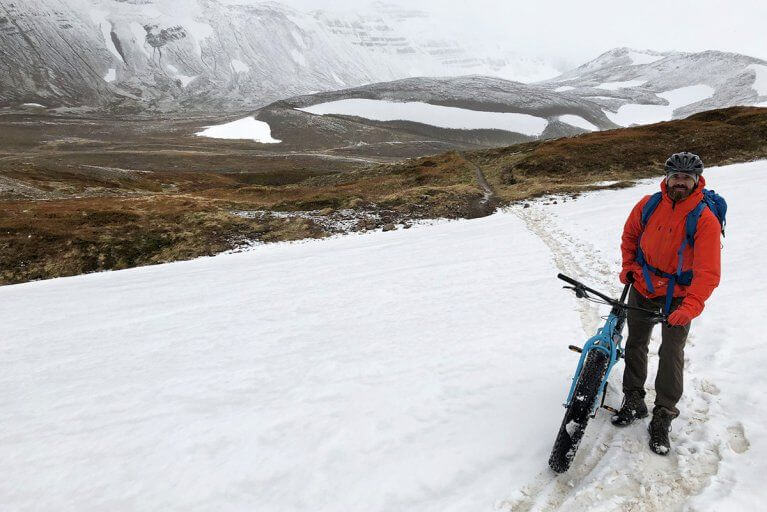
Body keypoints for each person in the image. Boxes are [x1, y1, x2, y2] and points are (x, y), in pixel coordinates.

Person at [611, 152, 721, 455]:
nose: (681, 183)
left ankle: (663, 414)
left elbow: (708, 272)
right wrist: (628, 266)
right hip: (644, 284)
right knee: (636, 342)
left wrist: (690, 307)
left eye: (687, 178)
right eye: (676, 177)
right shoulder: (649, 205)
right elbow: (630, 236)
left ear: (696, 180)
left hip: (680, 294)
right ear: (667, 177)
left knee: (671, 351)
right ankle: (634, 400)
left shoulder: (704, 219)